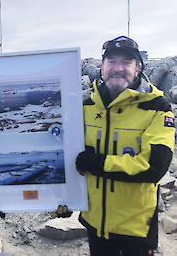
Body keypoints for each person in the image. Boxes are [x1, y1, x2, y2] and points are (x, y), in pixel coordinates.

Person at [75, 36, 175, 256]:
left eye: (126, 62)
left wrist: (94, 162)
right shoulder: (87, 107)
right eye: (111, 61)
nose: (117, 68)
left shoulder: (157, 108)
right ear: (102, 67)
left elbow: (153, 167)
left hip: (135, 229)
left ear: (138, 67)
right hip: (95, 223)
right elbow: (68, 155)